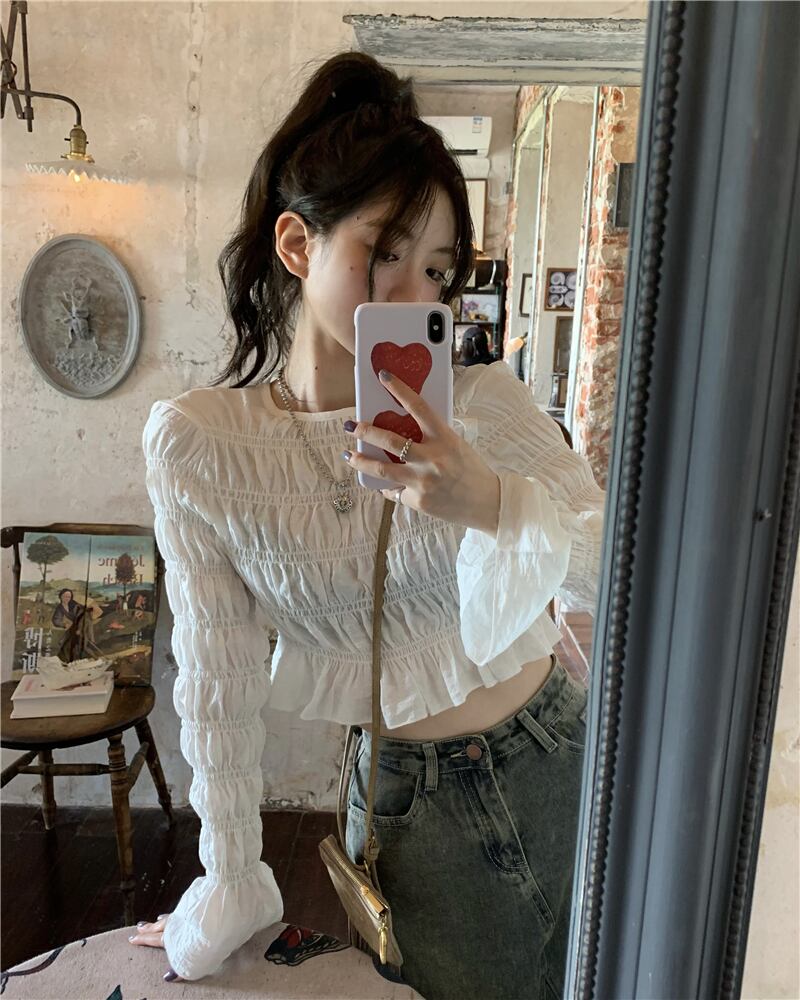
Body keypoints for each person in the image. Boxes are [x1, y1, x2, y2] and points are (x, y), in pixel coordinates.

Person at [131, 50, 605, 999]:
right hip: (399, 804)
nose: (416, 297)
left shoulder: (484, 403)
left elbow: (613, 558)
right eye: (385, 253)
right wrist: (228, 879)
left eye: (437, 270)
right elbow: (217, 678)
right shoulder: (205, 448)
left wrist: (490, 502)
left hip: (556, 755)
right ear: (296, 243)